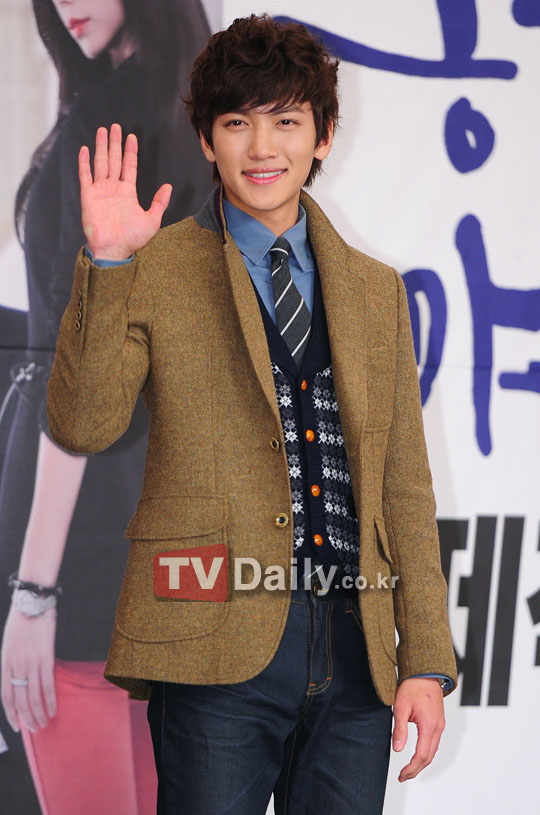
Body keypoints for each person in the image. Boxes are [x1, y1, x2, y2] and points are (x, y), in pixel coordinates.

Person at [45, 14, 458, 814]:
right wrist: (109, 263)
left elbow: (404, 487)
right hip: (210, 640)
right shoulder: (156, 267)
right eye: (237, 122)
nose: (262, 147)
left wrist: (425, 660)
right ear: (206, 138)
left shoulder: (376, 291)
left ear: (324, 135)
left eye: (286, 121)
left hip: (356, 651)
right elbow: (83, 424)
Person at [0, 0, 212, 812]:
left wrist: (34, 590)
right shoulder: (203, 121)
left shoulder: (106, 125)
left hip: (81, 553)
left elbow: (77, 368)